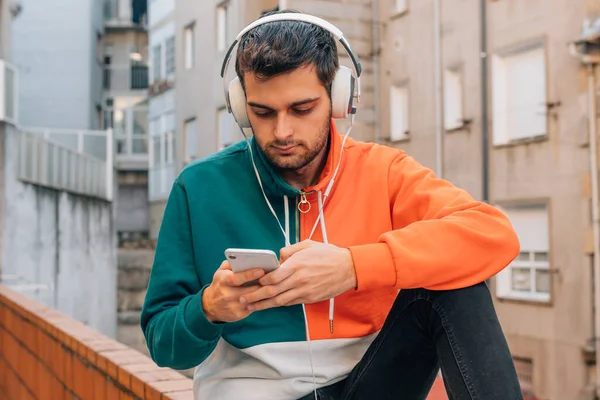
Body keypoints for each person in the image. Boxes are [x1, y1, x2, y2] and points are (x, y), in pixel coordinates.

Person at [140, 9, 524, 400]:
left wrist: (353, 267)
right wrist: (208, 308)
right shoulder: (199, 187)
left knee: (456, 284)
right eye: (262, 112)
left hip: (370, 384)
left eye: (302, 109)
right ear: (241, 106)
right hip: (251, 392)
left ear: (339, 98)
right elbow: (163, 345)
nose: (283, 131)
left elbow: (494, 233)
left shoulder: (383, 170)